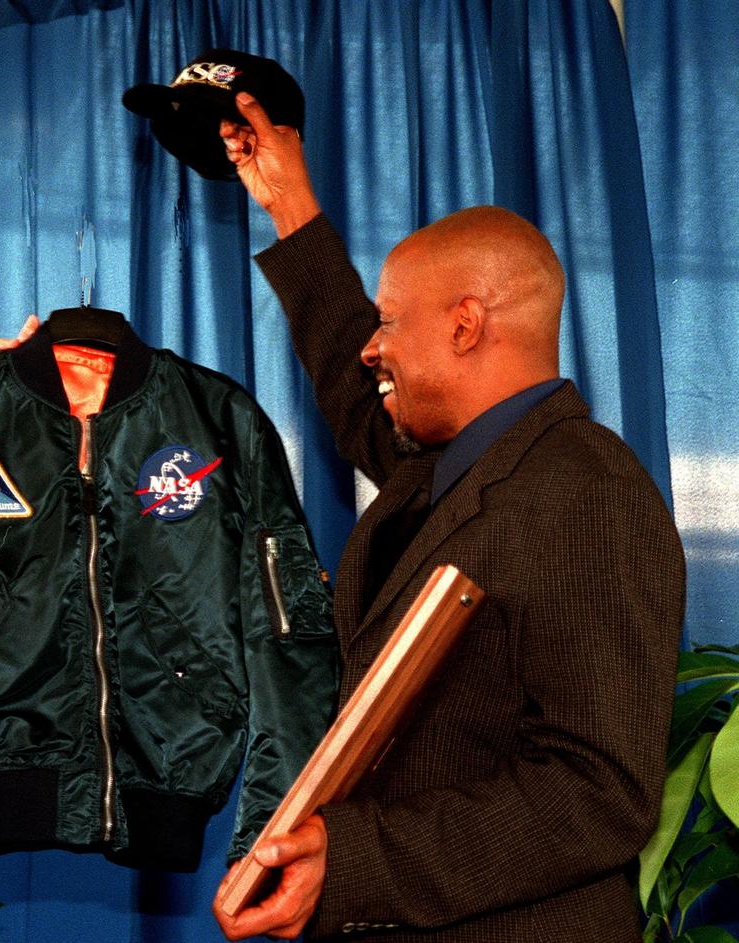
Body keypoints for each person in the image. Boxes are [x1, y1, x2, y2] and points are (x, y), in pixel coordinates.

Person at [210, 93, 686, 940]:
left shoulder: (585, 491)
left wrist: (353, 861)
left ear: (466, 325)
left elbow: (597, 791)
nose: (372, 344)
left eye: (391, 321)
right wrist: (290, 205)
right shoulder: (445, 473)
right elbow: (359, 393)